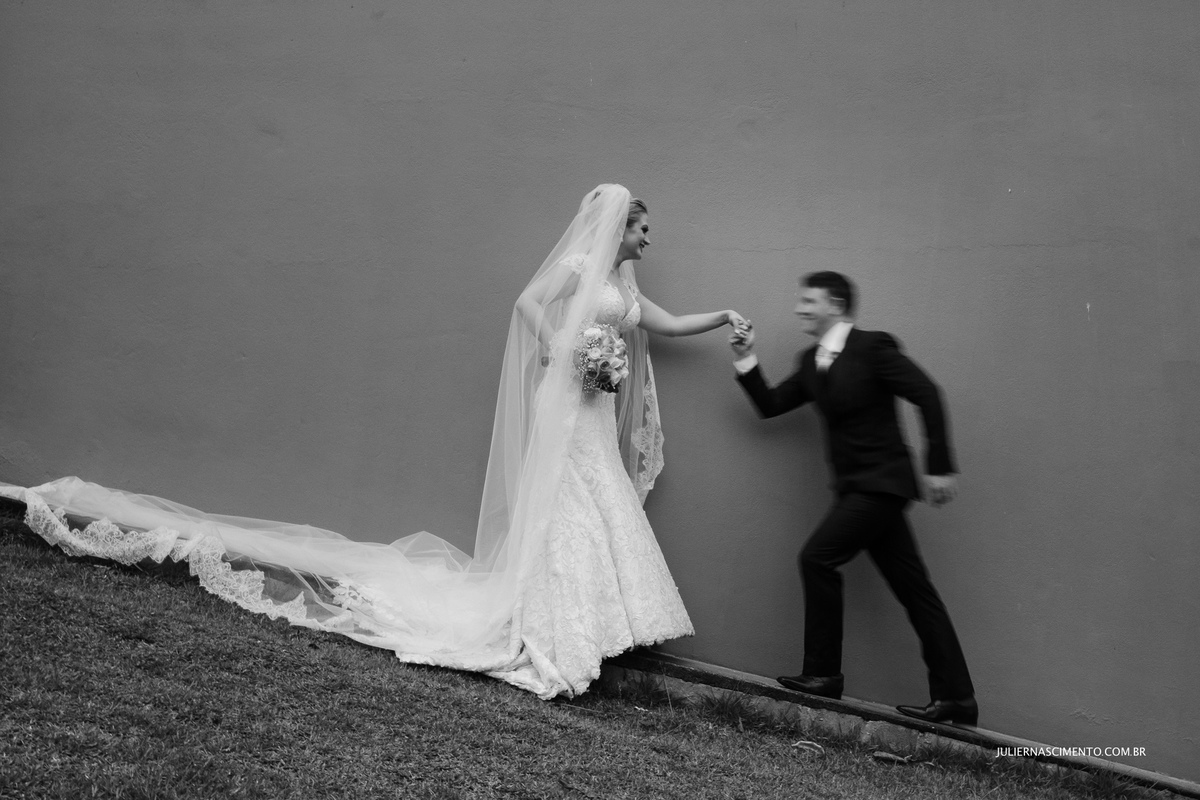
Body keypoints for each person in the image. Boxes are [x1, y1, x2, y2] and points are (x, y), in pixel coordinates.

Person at [1, 184, 745, 700]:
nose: (649, 238)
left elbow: (667, 327)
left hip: (590, 414)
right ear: (620, 225)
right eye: (644, 228)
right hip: (569, 409)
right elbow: (526, 303)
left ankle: (603, 630)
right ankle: (563, 631)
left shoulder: (625, 281)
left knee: (597, 501)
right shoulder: (582, 266)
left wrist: (723, 320)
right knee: (572, 507)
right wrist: (561, 347)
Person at [729, 270, 977, 725]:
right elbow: (771, 405)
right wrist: (746, 358)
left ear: (837, 305)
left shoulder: (873, 347)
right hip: (860, 489)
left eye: (810, 300)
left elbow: (927, 394)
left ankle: (824, 673)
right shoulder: (811, 361)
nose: (801, 307)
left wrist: (939, 464)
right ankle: (957, 699)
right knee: (915, 591)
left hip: (882, 485)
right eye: (801, 300)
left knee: (818, 558)